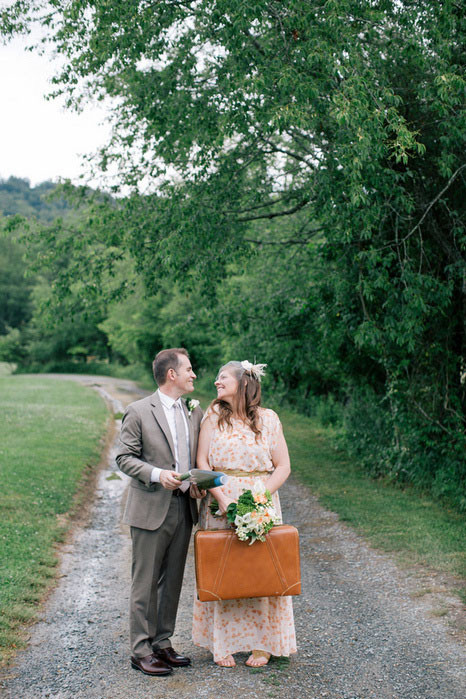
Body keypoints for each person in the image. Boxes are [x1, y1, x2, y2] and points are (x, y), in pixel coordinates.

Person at [192, 360, 297, 667]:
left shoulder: (269, 419)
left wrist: (260, 498)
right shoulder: (213, 417)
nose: (216, 382)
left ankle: (263, 644)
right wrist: (223, 499)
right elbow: (202, 464)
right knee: (224, 568)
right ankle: (222, 643)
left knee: (259, 570)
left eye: (222, 377)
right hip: (219, 503)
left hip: (260, 504)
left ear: (242, 382)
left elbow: (284, 466)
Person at [116, 348, 203, 677]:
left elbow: (192, 458)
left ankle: (162, 642)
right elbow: (124, 457)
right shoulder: (138, 411)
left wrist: (196, 482)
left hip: (184, 505)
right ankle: (140, 650)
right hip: (151, 507)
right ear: (172, 375)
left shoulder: (193, 411)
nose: (194, 375)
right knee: (145, 581)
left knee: (172, 581)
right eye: (189, 369)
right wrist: (156, 474)